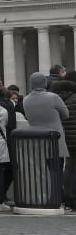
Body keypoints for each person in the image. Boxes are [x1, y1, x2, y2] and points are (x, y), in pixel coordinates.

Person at [23, 71, 69, 199]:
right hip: (55, 138)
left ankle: (44, 196)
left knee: (42, 171)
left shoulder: (26, 99)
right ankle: (57, 197)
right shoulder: (53, 97)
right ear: (45, 82)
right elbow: (66, 114)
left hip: (37, 139)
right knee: (57, 170)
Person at [50, 72, 76, 209]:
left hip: (65, 138)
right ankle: (72, 196)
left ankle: (67, 195)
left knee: (69, 167)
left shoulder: (57, 99)